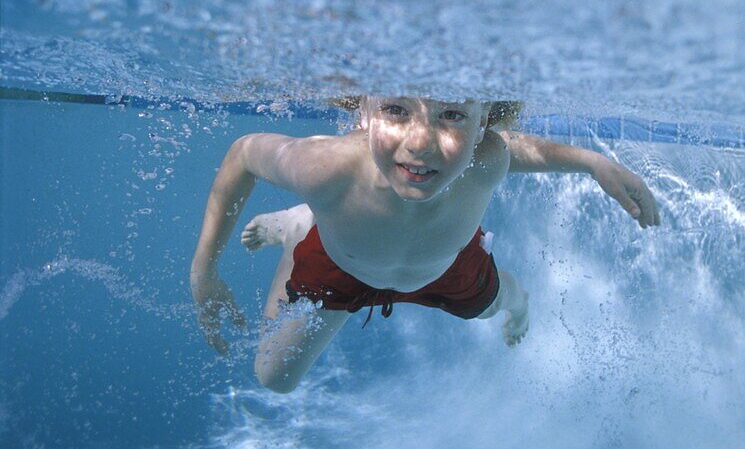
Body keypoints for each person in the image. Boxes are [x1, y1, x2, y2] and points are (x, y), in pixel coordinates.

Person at [190, 97, 660, 392]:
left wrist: (593, 162)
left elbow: (523, 148)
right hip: (342, 260)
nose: (421, 142)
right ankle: (302, 227)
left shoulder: (487, 158)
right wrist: (203, 273)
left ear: (484, 123)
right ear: (364, 111)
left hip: (447, 267)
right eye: (396, 110)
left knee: (505, 303)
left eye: (452, 114)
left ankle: (519, 301)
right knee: (274, 379)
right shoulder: (324, 169)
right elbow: (242, 155)